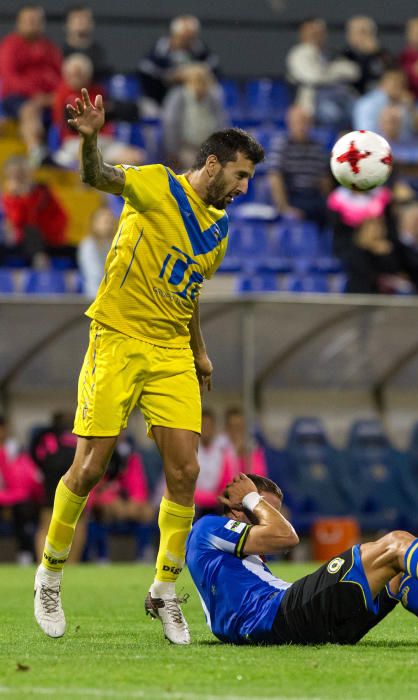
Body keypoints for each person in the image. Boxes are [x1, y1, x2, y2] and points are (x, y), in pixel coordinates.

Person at [32, 86, 264, 645]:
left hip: (169, 353)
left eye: (249, 179)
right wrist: (89, 143)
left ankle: (164, 590)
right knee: (89, 468)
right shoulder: (157, 184)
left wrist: (199, 349)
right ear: (212, 164)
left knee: (185, 472)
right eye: (239, 175)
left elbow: (189, 292)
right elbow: (99, 178)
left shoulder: (219, 231)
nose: (243, 187)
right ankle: (50, 574)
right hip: (116, 337)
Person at [186, 472, 418, 646]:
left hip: (302, 625)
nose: (272, 519)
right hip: (280, 617)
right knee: (395, 543)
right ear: (236, 509)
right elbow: (287, 535)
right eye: (265, 510)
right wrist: (252, 498)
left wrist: (160, 593)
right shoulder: (209, 528)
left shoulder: (235, 556)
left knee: (399, 563)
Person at [52, 53, 145, 170]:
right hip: (76, 142)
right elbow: (70, 124)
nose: (75, 78)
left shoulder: (98, 91)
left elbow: (127, 110)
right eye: (72, 74)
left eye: (79, 74)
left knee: (135, 157)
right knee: (88, 161)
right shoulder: (62, 93)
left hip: (104, 141)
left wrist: (105, 112)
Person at [0, 5, 62, 165]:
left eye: (36, 20)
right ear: (18, 23)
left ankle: (66, 153)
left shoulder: (50, 48)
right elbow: (10, 77)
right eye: (28, 21)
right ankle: (36, 152)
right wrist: (36, 95)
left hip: (48, 99)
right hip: (16, 99)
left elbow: (60, 76)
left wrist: (54, 95)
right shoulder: (10, 46)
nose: (33, 24)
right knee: (30, 109)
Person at [31, 412, 85, 567]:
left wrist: (44, 469)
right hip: (74, 476)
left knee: (46, 523)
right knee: (78, 521)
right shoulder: (79, 433)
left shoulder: (45, 436)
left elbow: (35, 455)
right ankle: (72, 563)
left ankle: (43, 563)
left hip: (51, 478)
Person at [286, 17, 359, 129]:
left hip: (341, 97)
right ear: (303, 33)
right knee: (332, 113)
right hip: (313, 103)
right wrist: (337, 72)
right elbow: (314, 77)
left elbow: (354, 71)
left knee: (361, 107)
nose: (316, 36)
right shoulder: (299, 53)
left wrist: (327, 71)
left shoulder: (329, 52)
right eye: (312, 32)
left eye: (320, 32)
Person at [267, 105, 331, 228]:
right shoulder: (281, 145)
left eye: (305, 122)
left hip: (313, 197)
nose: (302, 126)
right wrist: (284, 208)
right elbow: (275, 177)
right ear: (289, 123)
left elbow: (324, 180)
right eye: (298, 122)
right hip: (292, 196)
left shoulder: (318, 147)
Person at [139, 15, 220, 110]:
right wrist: (171, 76)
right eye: (183, 38)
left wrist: (197, 72)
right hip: (159, 98)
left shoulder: (199, 49)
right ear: (174, 35)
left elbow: (214, 67)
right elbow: (146, 70)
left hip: (193, 99)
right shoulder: (160, 49)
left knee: (216, 91)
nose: (187, 41)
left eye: (190, 37)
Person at [1, 155, 69, 266]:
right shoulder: (6, 197)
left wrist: (24, 196)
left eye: (21, 173)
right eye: (14, 175)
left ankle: (40, 259)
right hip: (13, 241)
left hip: (45, 239)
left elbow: (62, 217)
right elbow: (16, 221)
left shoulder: (43, 192)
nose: (18, 178)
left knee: (31, 231)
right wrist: (15, 198)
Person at [162, 63, 228, 170]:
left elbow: (222, 124)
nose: (199, 85)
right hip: (185, 148)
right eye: (196, 81)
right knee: (196, 167)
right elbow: (171, 125)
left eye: (203, 81)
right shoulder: (177, 97)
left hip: (209, 148)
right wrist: (174, 152)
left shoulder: (213, 99)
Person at [0, 414, 42, 564]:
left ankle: (25, 553)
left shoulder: (14, 448)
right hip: (5, 495)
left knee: (24, 507)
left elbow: (22, 478)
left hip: (14, 495)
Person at [353, 68, 418, 135]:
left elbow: (410, 132)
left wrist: (411, 108)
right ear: (382, 84)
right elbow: (365, 133)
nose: (399, 89)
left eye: (402, 85)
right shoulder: (366, 104)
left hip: (401, 144)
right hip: (374, 143)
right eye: (395, 84)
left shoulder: (403, 102)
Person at [340, 16, 392, 95]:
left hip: (382, 96)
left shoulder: (382, 53)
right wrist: (367, 55)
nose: (366, 36)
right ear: (349, 36)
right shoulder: (345, 56)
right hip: (356, 97)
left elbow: (394, 73)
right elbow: (358, 77)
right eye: (362, 32)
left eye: (370, 32)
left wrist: (377, 53)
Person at [194, 409, 232, 516]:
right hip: (195, 505)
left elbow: (227, 481)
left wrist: (217, 498)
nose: (206, 429)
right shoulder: (191, 450)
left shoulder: (223, 450)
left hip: (217, 504)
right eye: (203, 425)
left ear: (214, 428)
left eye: (209, 426)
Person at [77, 205, 118, 299]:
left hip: (114, 295)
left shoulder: (115, 244)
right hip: (94, 296)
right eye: (105, 221)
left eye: (110, 221)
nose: (108, 225)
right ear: (94, 223)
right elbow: (95, 274)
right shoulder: (87, 245)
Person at [62, 5, 110, 81]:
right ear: (67, 24)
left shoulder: (98, 53)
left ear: (92, 23)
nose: (81, 22)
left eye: (85, 19)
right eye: (76, 19)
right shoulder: (58, 53)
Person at [222, 407, 268, 478]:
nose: (237, 431)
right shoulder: (221, 453)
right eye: (233, 427)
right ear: (227, 429)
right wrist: (235, 455)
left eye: (240, 427)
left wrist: (247, 457)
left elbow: (259, 479)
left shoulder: (255, 450)